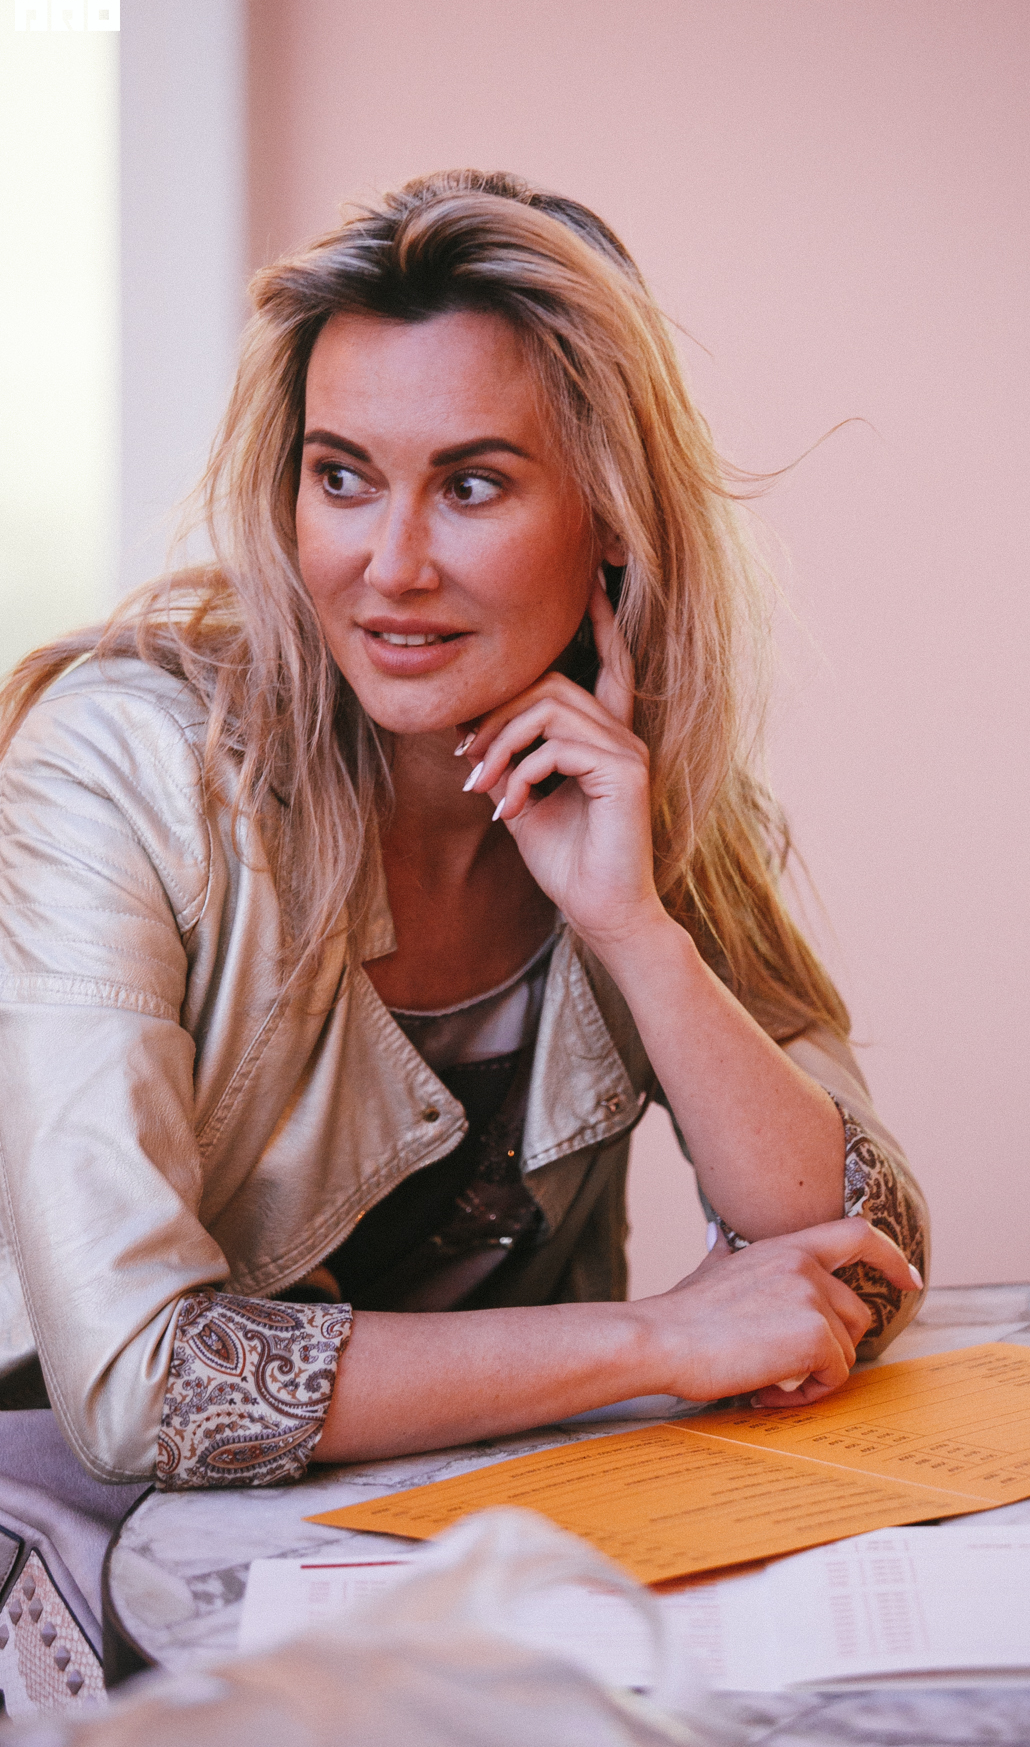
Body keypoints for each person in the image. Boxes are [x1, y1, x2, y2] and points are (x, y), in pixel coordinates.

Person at [0, 170, 927, 1503]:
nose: (391, 565)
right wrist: (655, 1340)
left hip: (477, 1538)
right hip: (86, 1550)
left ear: (611, 518)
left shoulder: (637, 792)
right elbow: (141, 1383)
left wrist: (632, 928)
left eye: (473, 486)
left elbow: (861, 1255)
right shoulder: (120, 771)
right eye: (342, 478)